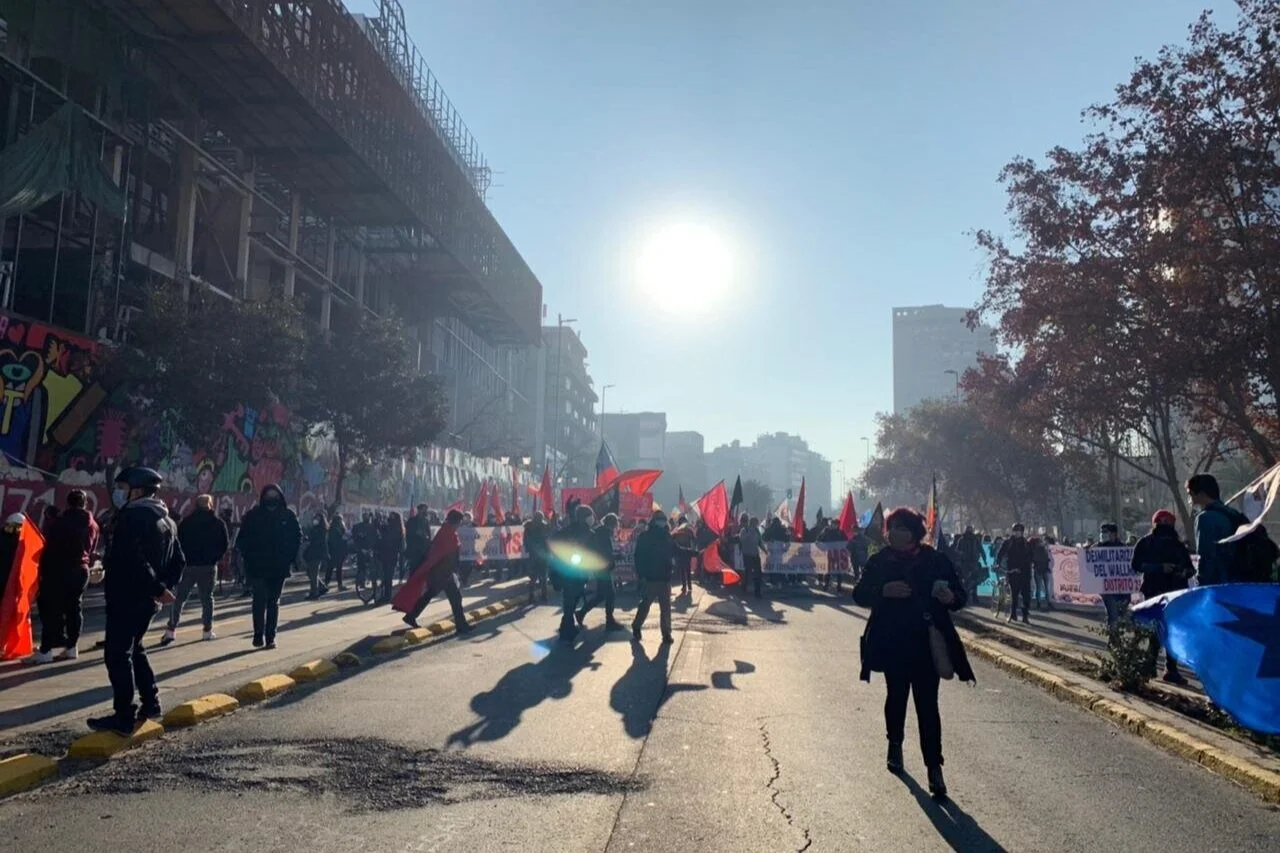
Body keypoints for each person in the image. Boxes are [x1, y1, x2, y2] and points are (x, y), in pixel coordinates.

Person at [853, 507, 972, 799]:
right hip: (892, 643)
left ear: (915, 534)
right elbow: (859, 594)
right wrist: (883, 591)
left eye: (902, 529)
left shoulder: (935, 560)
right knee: (896, 698)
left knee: (928, 707)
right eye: (891, 528)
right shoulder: (879, 561)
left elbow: (960, 596)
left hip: (927, 645)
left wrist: (950, 597)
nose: (895, 534)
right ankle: (894, 745)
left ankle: (934, 767)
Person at [88, 467, 185, 736]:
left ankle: (123, 716)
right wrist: (162, 588)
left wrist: (155, 586)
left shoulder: (132, 518)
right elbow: (179, 560)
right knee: (136, 648)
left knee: (117, 655)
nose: (118, 493)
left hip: (127, 596)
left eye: (123, 488)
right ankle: (151, 703)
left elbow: (133, 559)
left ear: (138, 491)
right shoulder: (167, 520)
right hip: (147, 600)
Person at [28, 490, 99, 663]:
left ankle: (46, 650)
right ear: (85, 504)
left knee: (51, 609)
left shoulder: (59, 522)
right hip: (81, 570)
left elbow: (49, 546)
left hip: (59, 569)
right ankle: (71, 647)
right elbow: (91, 550)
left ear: (67, 503)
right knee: (75, 608)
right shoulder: (93, 525)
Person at [236, 484, 301, 649]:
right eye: (268, 495)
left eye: (275, 495)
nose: (271, 499)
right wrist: (248, 558)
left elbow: (297, 538)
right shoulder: (253, 516)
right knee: (258, 601)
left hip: (279, 567)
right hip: (258, 567)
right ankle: (258, 634)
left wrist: (290, 558)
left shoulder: (287, 515)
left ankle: (270, 636)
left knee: (273, 602)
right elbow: (242, 540)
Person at [1132, 510, 1193, 685]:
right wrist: (1159, 568)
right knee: (1156, 629)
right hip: (1154, 591)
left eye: (1168, 522)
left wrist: (1182, 571)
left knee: (1171, 631)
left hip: (1175, 591)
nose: (1165, 525)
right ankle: (1150, 665)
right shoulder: (1145, 543)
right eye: (1162, 522)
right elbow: (1136, 565)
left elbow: (1190, 569)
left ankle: (1170, 669)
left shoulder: (1178, 546)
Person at [162, 494, 228, 645]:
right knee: (207, 599)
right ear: (210, 505)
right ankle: (207, 630)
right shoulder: (218, 523)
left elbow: (178, 542)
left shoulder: (187, 522)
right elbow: (224, 544)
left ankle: (171, 630)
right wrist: (214, 558)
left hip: (188, 565)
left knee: (179, 598)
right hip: (208, 566)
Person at [400, 509, 471, 634]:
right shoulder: (447, 532)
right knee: (455, 598)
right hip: (443, 573)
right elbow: (447, 554)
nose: (459, 525)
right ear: (455, 521)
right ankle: (461, 625)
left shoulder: (447, 531)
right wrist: (453, 571)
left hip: (442, 573)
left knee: (430, 595)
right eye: (459, 522)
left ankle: (411, 616)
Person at [632, 511, 696, 644]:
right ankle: (636, 626)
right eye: (659, 519)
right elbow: (639, 557)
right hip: (650, 578)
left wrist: (694, 553)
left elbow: (677, 550)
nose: (661, 522)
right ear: (654, 521)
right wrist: (641, 575)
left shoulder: (667, 537)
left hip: (665, 578)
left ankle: (666, 633)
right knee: (645, 605)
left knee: (666, 608)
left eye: (663, 519)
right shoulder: (645, 536)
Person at [548, 505, 603, 642]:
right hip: (568, 571)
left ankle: (565, 625)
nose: (591, 519)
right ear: (583, 517)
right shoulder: (568, 531)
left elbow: (595, 551)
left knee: (575, 597)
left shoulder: (591, 533)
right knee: (569, 599)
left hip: (581, 571)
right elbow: (554, 543)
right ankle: (567, 629)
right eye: (589, 516)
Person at [1186, 474, 1236, 586]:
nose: (1190, 500)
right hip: (1236, 581)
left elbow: (1206, 555)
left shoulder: (1205, 518)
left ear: (1202, 494)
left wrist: (1201, 581)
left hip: (1218, 584)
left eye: (1191, 495)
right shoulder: (1231, 513)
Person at [577, 512, 624, 631]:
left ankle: (582, 613)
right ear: (612, 524)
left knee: (601, 595)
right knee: (610, 594)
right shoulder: (603, 534)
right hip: (603, 568)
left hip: (599, 567)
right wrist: (617, 556)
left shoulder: (600, 532)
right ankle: (609, 621)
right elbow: (605, 554)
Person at [996, 524, 1033, 624]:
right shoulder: (1008, 543)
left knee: (1026, 595)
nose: (1017, 533)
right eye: (1016, 531)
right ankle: (1013, 613)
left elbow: (1030, 556)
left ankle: (1025, 616)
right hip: (1013, 570)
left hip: (1025, 571)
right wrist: (997, 563)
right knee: (1014, 594)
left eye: (1020, 531)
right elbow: (1000, 554)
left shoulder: (1026, 543)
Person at [1094, 523, 1128, 628]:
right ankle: (1113, 640)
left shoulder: (1123, 548)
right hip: (1107, 589)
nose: (1102, 534)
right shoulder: (1097, 547)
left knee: (1120, 615)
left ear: (1114, 534)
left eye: (1105, 532)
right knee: (1113, 614)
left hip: (1122, 589)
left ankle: (1116, 637)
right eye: (1101, 532)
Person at [523, 511, 551, 603]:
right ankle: (544, 595)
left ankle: (531, 596)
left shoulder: (528, 527)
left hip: (533, 555)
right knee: (543, 577)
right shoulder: (544, 526)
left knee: (533, 578)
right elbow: (547, 541)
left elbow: (525, 541)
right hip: (542, 555)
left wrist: (528, 550)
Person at [379, 512, 406, 601]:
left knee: (388, 576)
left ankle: (387, 595)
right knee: (387, 575)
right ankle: (387, 595)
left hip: (389, 554)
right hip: (391, 555)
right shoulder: (398, 529)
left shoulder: (394, 528)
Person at [302, 511, 330, 599]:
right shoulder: (315, 528)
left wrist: (309, 539)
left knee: (313, 574)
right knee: (311, 573)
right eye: (315, 518)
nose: (316, 520)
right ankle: (322, 587)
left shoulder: (321, 529)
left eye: (318, 518)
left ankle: (314, 593)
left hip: (316, 554)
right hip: (312, 553)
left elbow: (319, 542)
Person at [740, 516, 766, 598]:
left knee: (758, 573)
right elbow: (742, 539)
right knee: (748, 573)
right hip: (747, 554)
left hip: (755, 555)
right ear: (751, 523)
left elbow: (760, 542)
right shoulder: (745, 530)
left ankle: (757, 592)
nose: (756, 525)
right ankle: (744, 589)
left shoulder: (757, 531)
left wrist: (764, 550)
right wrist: (750, 531)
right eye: (755, 523)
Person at [405, 504, 432, 576]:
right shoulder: (412, 521)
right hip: (414, 550)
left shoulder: (426, 521)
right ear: (419, 510)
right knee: (413, 571)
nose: (425, 511)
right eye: (424, 509)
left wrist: (427, 539)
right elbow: (408, 534)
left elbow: (429, 535)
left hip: (423, 551)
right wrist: (416, 533)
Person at [1030, 535, 1053, 611]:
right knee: (1046, 587)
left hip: (1038, 570)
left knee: (1038, 588)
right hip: (1045, 569)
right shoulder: (1044, 548)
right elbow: (1047, 558)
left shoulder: (1033, 550)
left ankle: (1038, 602)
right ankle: (1048, 602)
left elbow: (1033, 560)